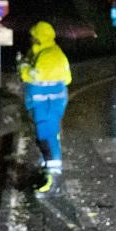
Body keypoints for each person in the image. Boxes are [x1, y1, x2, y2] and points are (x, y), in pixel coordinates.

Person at [19, 21, 72, 196]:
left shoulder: (49, 55)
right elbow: (67, 79)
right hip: (45, 105)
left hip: (47, 105)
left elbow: (33, 76)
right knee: (45, 139)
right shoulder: (44, 53)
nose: (31, 39)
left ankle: (53, 180)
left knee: (48, 139)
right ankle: (46, 173)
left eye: (33, 36)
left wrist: (23, 66)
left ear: (39, 37)